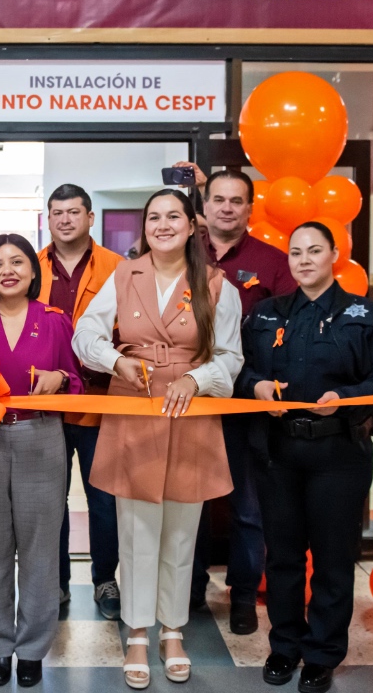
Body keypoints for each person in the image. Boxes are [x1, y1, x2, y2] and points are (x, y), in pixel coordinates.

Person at [72, 189, 243, 689]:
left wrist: (198, 379)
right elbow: (86, 334)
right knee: (137, 529)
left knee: (182, 529)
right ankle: (138, 631)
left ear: (193, 226)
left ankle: (173, 631)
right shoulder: (124, 275)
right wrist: (116, 361)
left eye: (173, 217)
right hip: (135, 408)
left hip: (190, 412)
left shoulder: (215, 285)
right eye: (153, 217)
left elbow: (231, 356)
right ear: (143, 227)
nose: (162, 225)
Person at [237, 222, 373, 693]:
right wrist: (257, 386)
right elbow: (239, 368)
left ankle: (322, 654)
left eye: (314, 251)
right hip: (277, 452)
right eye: (295, 253)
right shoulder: (266, 315)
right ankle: (285, 647)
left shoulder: (363, 314)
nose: (304, 260)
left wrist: (347, 397)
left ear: (334, 254)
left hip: (339, 453)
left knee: (332, 560)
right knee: (284, 557)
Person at [0, 234, 83, 688]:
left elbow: (78, 383)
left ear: (33, 271)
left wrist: (60, 377)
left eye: (18, 262)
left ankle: (32, 648)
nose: (7, 270)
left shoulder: (54, 320)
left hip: (41, 437)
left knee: (39, 547)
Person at [178, 165, 295, 635]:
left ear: (249, 208)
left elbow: (292, 328)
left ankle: (244, 595)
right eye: (218, 200)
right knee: (192, 502)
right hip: (195, 399)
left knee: (249, 508)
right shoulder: (180, 255)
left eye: (236, 201)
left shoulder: (273, 262)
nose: (226, 208)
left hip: (249, 403)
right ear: (204, 208)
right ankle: (188, 588)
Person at [35, 184, 123, 619]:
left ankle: (105, 580)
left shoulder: (118, 268)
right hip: (45, 404)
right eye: (57, 213)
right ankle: (56, 583)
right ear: (48, 219)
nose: (65, 219)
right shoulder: (29, 267)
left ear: (90, 217)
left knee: (102, 498)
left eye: (73, 212)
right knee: (50, 498)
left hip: (99, 401)